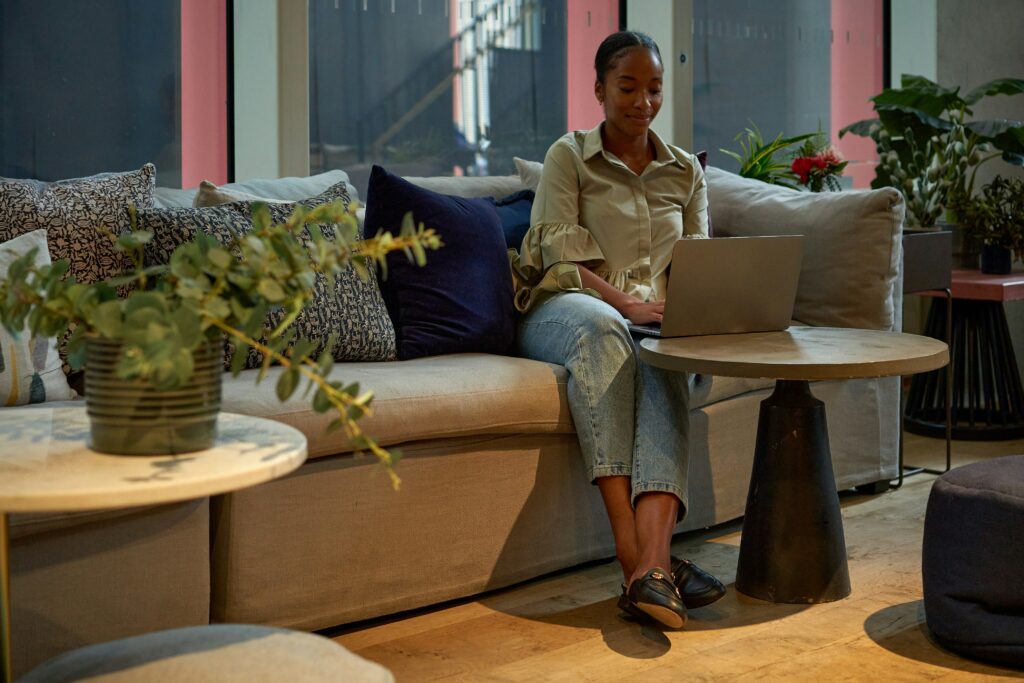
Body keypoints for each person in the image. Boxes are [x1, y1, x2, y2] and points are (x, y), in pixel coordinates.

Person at [513, 31, 724, 629]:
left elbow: (698, 262)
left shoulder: (685, 172)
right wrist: (627, 305)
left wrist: (680, 312)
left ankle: (651, 573)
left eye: (654, 89)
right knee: (608, 328)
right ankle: (638, 560)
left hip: (650, 319)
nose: (643, 102)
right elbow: (557, 261)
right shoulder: (570, 156)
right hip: (566, 307)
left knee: (662, 357)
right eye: (628, 87)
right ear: (599, 89)